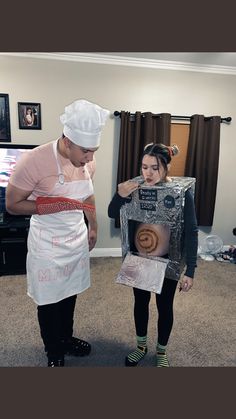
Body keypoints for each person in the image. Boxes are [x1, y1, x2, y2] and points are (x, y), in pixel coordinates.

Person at [6, 99, 110, 367]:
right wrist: (49, 205)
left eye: (93, 151)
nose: (90, 158)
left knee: (69, 291)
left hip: (75, 236)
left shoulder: (88, 161)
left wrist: (93, 225)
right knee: (49, 297)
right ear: (67, 140)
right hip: (47, 242)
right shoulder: (33, 161)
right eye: (86, 151)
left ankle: (65, 337)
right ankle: (53, 350)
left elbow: (87, 193)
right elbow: (12, 204)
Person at [108, 143, 198, 367]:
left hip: (168, 260)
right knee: (140, 302)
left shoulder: (180, 192)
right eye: (144, 167)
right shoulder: (133, 187)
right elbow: (112, 213)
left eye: (154, 168)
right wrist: (119, 195)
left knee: (164, 306)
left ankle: (161, 351)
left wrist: (191, 271)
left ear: (166, 168)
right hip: (140, 256)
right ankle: (140, 346)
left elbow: (192, 231)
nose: (147, 173)